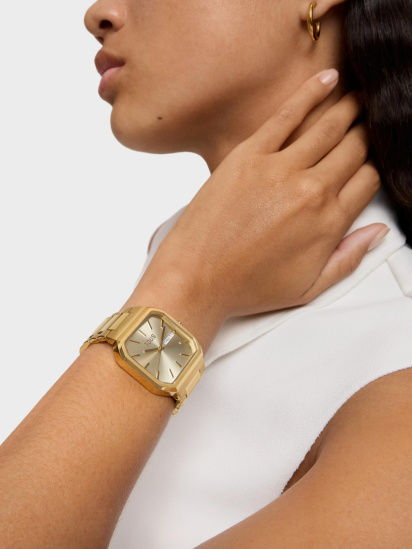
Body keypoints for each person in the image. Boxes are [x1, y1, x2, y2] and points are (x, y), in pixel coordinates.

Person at [1, 1, 411, 549]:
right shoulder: (192, 280)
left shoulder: (397, 380)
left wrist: (184, 286)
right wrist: (189, 278)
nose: (98, 13)